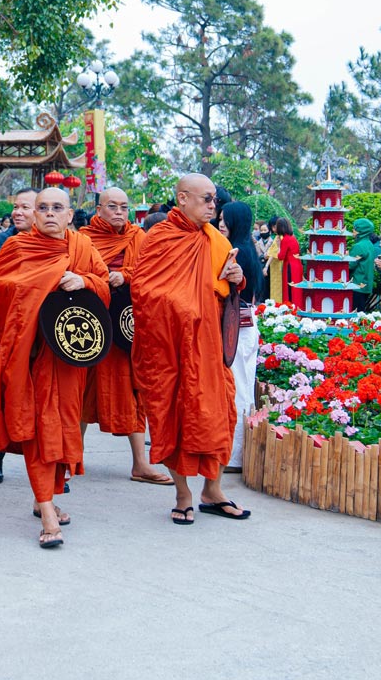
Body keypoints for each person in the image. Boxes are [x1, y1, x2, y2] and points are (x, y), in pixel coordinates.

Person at [0, 188, 111, 548]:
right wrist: (40, 284)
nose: (50, 214)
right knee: (39, 428)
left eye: (58, 208)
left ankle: (47, 499)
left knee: (63, 426)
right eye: (43, 208)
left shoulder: (82, 248)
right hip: (31, 356)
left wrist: (83, 280)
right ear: (33, 215)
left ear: (70, 215)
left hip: (69, 358)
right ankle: (47, 511)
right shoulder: (17, 249)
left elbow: (103, 284)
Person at [133, 173, 250, 526]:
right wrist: (185, 306)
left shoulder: (214, 238)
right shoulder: (160, 239)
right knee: (172, 415)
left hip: (209, 348)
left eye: (214, 200)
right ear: (182, 199)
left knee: (218, 412)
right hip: (170, 348)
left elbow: (231, 285)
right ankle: (183, 494)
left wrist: (236, 278)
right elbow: (143, 289)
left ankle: (212, 491)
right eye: (206, 199)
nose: (213, 206)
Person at [79, 186, 172, 486]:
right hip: (93, 322)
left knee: (134, 390)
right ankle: (73, 456)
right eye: (112, 207)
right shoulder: (83, 239)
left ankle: (140, 463)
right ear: (99, 209)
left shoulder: (138, 237)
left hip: (125, 324)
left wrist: (126, 275)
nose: (119, 213)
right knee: (83, 388)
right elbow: (72, 271)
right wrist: (99, 278)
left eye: (123, 207)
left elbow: (153, 272)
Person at [0, 188, 37, 484]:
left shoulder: (55, 244)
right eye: (15, 207)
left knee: (44, 401)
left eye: (25, 207)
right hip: (9, 332)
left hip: (42, 335)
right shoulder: (2, 243)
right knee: (1, 398)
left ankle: (48, 464)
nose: (18, 212)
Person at [218, 201, 263, 473]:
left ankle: (235, 455)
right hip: (247, 325)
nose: (221, 223)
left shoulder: (238, 252)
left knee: (236, 386)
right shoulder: (249, 248)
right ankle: (239, 452)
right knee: (243, 384)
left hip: (238, 325)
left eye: (225, 220)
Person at [350, 218, 377, 313]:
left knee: (354, 315)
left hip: (356, 285)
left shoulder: (358, 246)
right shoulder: (369, 244)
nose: (352, 231)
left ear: (360, 231)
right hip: (366, 286)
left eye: (354, 228)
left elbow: (350, 265)